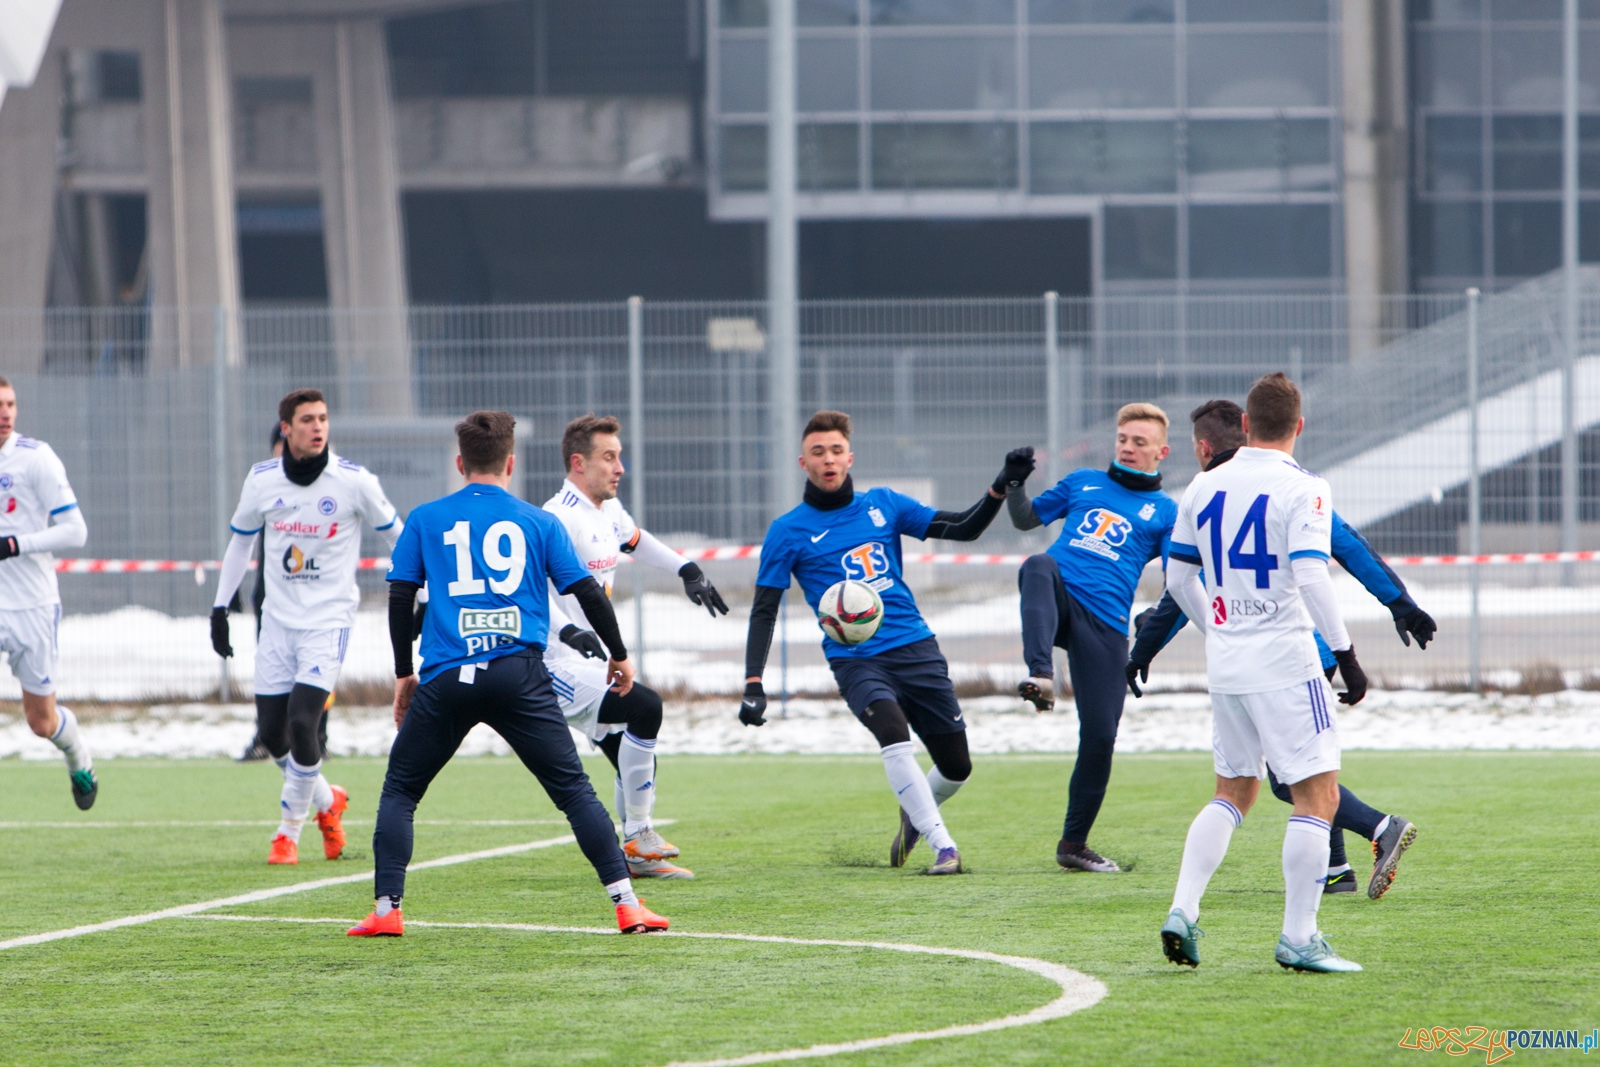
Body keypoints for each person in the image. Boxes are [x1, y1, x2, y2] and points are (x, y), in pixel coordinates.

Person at [349, 410, 666, 938]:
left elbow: (401, 596)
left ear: (460, 463)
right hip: (519, 676)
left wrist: (404, 673)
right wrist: (619, 654)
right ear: (511, 463)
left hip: (448, 676)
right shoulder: (538, 522)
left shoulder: (426, 518)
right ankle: (627, 905)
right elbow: (586, 592)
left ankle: (387, 910)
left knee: (401, 791)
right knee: (574, 792)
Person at [1127, 399, 1426, 899]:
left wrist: (1143, 648)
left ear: (1204, 448)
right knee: (1305, 770)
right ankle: (1336, 869)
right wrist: (1400, 602)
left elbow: (1181, 588)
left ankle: (1380, 827)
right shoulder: (1289, 484)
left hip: (1282, 652)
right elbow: (1349, 545)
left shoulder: (1205, 491)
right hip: (1301, 648)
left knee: (1290, 781)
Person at [739, 410, 1024, 875]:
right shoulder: (787, 531)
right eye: (817, 452)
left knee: (957, 766)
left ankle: (915, 811)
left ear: (849, 457)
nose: (828, 460)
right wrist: (753, 681)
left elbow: (962, 528)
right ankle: (944, 847)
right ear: (803, 463)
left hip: (916, 647)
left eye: (836, 450)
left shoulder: (884, 504)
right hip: (855, 660)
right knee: (893, 732)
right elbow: (764, 609)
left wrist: (1000, 487)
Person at [1160, 372, 1368, 973]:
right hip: (1284, 660)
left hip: (1227, 663)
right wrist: (1346, 654)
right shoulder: (1305, 487)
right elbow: (1311, 573)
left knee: (1233, 791)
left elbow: (1178, 579)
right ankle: (1299, 937)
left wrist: (1220, 629)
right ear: (1299, 425)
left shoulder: (1203, 485)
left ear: (1246, 425)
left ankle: (1183, 909)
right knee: (1317, 796)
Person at [210, 388, 402, 865]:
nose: (318, 427)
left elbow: (399, 536)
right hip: (277, 624)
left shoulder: (353, 481)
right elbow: (240, 543)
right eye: (307, 420)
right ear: (286, 429)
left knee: (303, 723)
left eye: (323, 418)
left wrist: (418, 592)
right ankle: (326, 799)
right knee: (272, 735)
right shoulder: (261, 480)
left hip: (328, 621)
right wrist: (219, 607)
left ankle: (287, 833)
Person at [542, 415, 726, 880]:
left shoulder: (607, 510)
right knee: (644, 708)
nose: (619, 467)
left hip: (592, 663)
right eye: (609, 457)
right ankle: (639, 833)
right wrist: (566, 630)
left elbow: (636, 541)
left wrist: (686, 569)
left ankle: (636, 854)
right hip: (553, 663)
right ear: (578, 463)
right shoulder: (557, 517)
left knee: (632, 748)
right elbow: (530, 591)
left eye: (619, 456)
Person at [1005, 403, 1178, 874]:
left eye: (1139, 442)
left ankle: (1073, 845)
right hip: (1058, 599)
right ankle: (1042, 675)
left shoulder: (1167, 512)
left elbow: (1179, 580)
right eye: (1123, 439)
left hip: (1105, 625)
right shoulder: (1083, 481)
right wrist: (1015, 485)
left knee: (1101, 736)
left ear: (1161, 452)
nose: (1128, 447)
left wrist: (1153, 622)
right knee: (1037, 564)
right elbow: (1026, 521)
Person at [0, 376, 96, 808]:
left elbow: (76, 531)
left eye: (10, 404)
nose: (5, 413)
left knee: (41, 722)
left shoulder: (35, 458)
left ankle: (78, 756)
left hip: (31, 606)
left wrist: (15, 544)